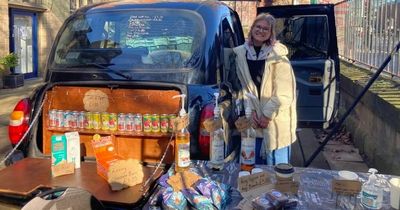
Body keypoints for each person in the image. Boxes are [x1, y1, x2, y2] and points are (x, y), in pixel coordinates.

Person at [233, 13, 297, 165]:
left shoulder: (279, 57)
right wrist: (251, 111)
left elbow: (284, 94)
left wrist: (267, 115)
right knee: (256, 172)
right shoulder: (241, 54)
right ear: (252, 28)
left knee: (277, 172)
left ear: (271, 33)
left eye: (266, 29)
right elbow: (244, 88)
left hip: (276, 121)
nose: (261, 31)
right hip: (254, 121)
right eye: (258, 27)